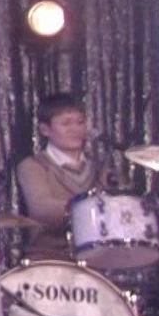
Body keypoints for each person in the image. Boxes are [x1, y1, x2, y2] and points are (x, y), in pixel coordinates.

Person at [15, 92, 115, 261]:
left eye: (80, 122)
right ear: (45, 130)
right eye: (66, 123)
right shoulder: (33, 166)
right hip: (49, 258)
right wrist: (94, 208)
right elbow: (41, 209)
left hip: (96, 259)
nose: (75, 129)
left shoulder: (99, 168)